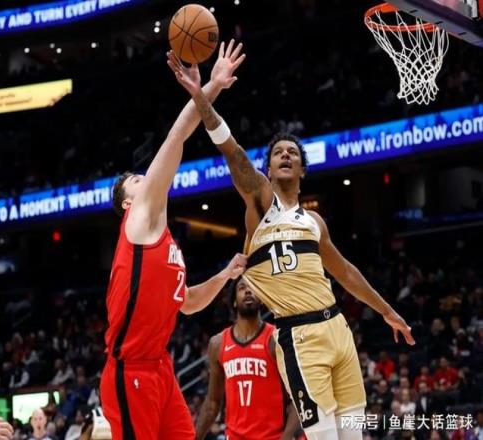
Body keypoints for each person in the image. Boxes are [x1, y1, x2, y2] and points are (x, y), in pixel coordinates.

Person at [168, 42, 415, 440]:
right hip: (299, 337)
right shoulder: (259, 204)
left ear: (302, 170)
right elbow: (232, 153)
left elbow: (346, 273)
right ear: (267, 168)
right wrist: (202, 96)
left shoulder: (314, 221)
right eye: (278, 153)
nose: (285, 155)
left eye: (292, 153)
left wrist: (387, 312)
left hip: (338, 329)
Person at [100, 42, 247, 440]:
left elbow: (189, 303)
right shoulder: (138, 220)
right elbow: (176, 138)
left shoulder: (166, 242)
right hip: (129, 371)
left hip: (160, 367)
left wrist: (225, 275)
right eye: (137, 179)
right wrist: (208, 89)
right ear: (127, 202)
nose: (145, 178)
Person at [195, 277, 300, 440]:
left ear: (262, 298)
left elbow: (297, 397)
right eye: (242, 288)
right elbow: (212, 402)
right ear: (234, 301)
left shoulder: (276, 340)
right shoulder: (218, 344)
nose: (248, 291)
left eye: (253, 287)